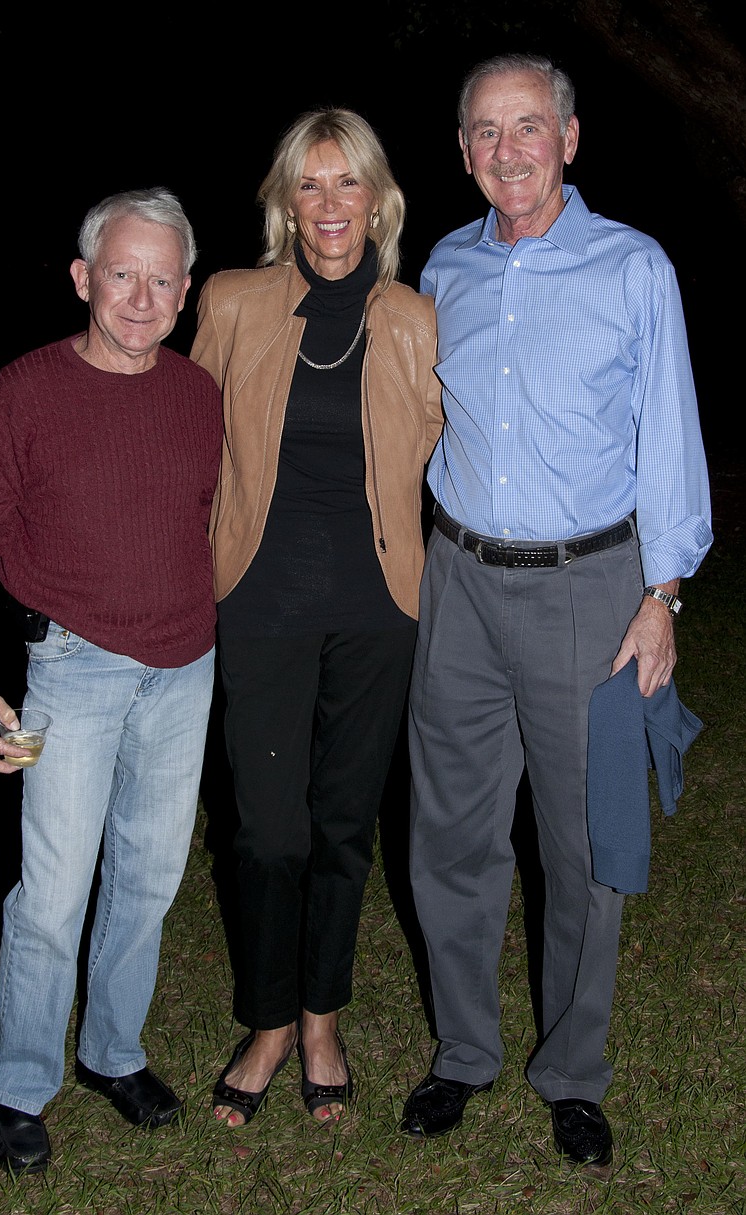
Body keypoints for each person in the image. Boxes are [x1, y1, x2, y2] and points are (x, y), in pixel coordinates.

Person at [400, 53, 712, 1166]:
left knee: (585, 846)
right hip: (461, 587)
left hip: (592, 588)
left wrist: (660, 591)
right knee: (451, 837)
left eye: (526, 125)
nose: (505, 149)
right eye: (483, 131)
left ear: (569, 139)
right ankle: (463, 1055)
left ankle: (572, 1073)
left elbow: (668, 437)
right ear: (463, 151)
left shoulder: (633, 268)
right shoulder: (442, 268)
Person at [0, 188, 222, 1175]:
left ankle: (111, 1053)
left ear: (184, 290)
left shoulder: (198, 394)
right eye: (121, 274)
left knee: (146, 881)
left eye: (161, 279)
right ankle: (16, 1083)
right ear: (82, 278)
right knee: (51, 898)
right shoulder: (20, 392)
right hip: (68, 669)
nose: (140, 297)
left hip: (186, 670)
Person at [190, 108, 443, 1127]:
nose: (329, 205)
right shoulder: (234, 301)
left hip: (379, 609)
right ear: (284, 203)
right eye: (309, 184)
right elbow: (182, 438)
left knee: (344, 826)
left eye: (348, 185)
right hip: (257, 599)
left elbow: (440, 448)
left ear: (377, 202)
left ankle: (321, 1016)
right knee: (265, 830)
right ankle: (267, 1023)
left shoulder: (416, 318)